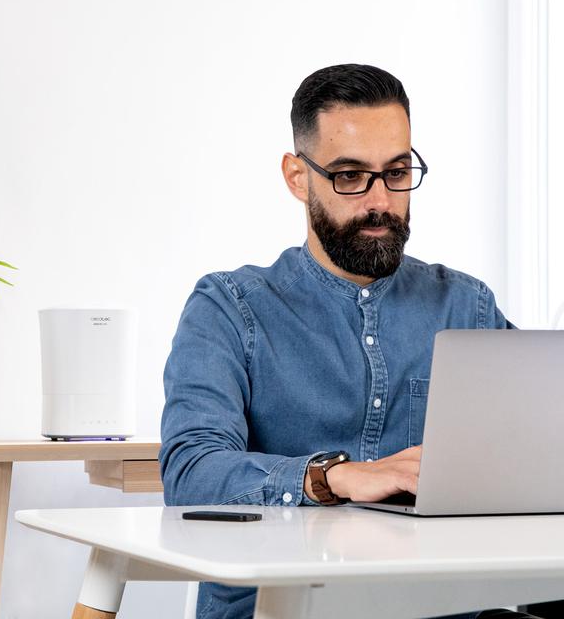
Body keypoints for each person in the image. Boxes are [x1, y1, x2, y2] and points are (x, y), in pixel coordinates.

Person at [158, 64, 544, 619]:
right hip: (280, 607)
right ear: (298, 177)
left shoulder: (466, 307)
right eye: (349, 176)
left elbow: (538, 451)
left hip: (441, 607)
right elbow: (192, 470)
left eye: (397, 171)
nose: (381, 200)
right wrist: (331, 476)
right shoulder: (229, 306)